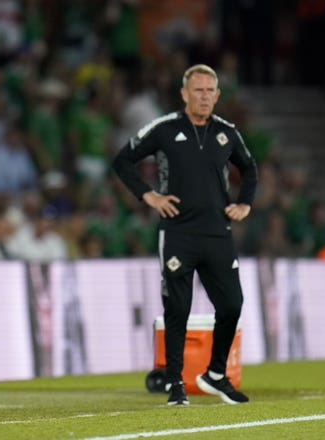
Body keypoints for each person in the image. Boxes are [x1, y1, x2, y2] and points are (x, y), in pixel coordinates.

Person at [112, 64, 258, 405]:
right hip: (178, 232)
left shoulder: (227, 131)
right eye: (198, 90)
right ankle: (175, 382)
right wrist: (149, 196)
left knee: (232, 304)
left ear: (217, 95)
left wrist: (245, 204)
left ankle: (216, 375)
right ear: (184, 94)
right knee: (178, 308)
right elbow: (123, 160)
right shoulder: (164, 128)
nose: (204, 96)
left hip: (218, 233)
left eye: (210, 91)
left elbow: (250, 168)